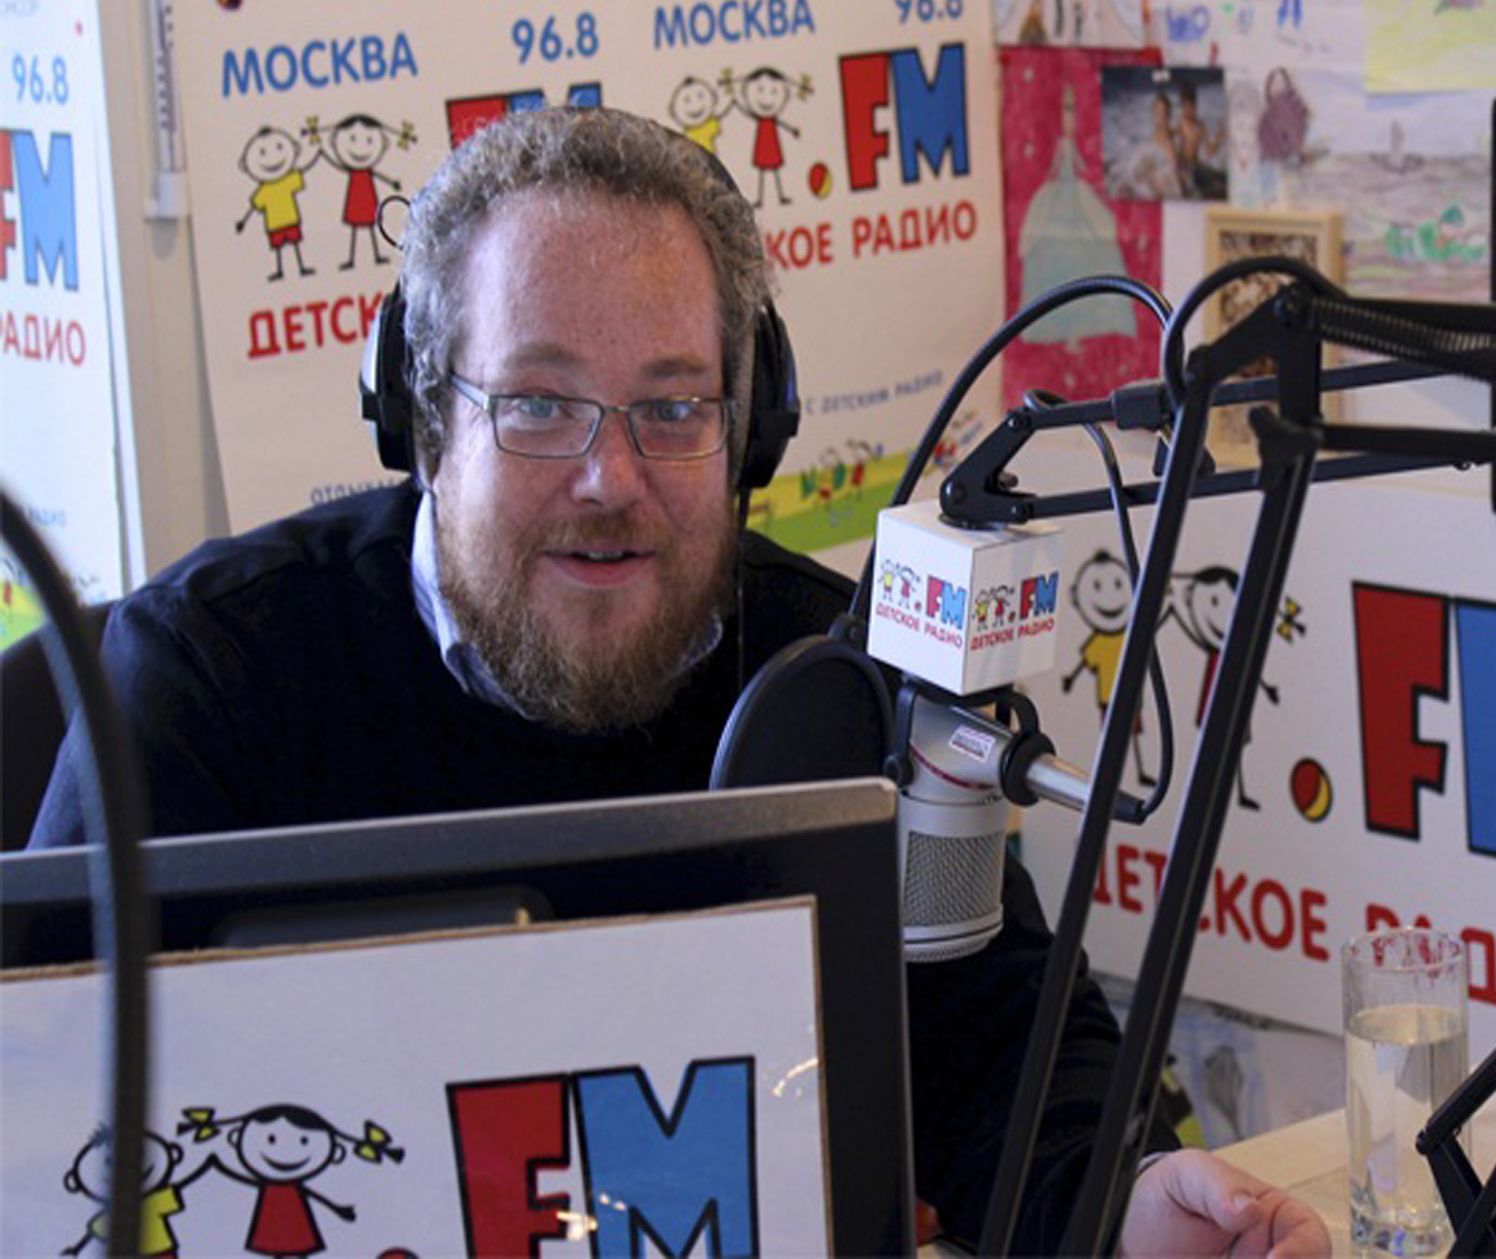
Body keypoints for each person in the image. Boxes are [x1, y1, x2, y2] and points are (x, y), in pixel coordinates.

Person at [32, 108, 1328, 1258]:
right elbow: (49, 1130)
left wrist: (1124, 1203)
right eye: (539, 404)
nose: (611, 479)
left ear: (749, 430)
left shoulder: (840, 675)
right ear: (423, 421)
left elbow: (999, 1047)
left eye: (671, 408)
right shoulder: (210, 679)